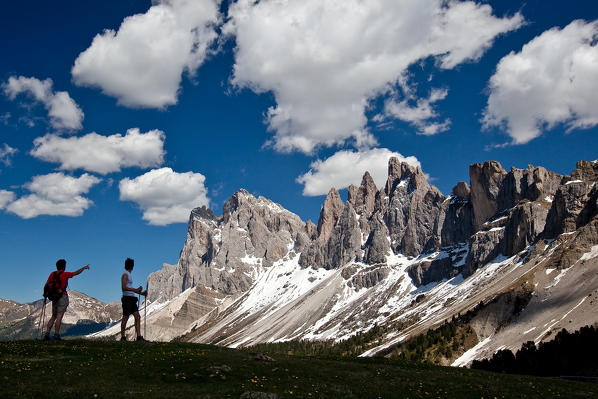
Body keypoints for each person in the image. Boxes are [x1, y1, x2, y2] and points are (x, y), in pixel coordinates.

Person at [44, 259, 90, 340]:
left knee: (53, 316)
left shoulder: (52, 274)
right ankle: (56, 335)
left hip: (54, 297)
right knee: (59, 316)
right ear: (64, 266)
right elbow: (76, 273)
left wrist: (45, 294)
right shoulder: (65, 274)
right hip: (62, 296)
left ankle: (47, 334)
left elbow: (47, 284)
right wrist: (84, 268)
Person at [121, 258, 147, 341]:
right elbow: (124, 287)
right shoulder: (125, 275)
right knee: (125, 317)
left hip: (131, 299)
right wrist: (136, 290)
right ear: (132, 266)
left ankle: (139, 336)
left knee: (137, 316)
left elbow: (129, 288)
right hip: (127, 299)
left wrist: (141, 293)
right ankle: (123, 337)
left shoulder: (128, 275)